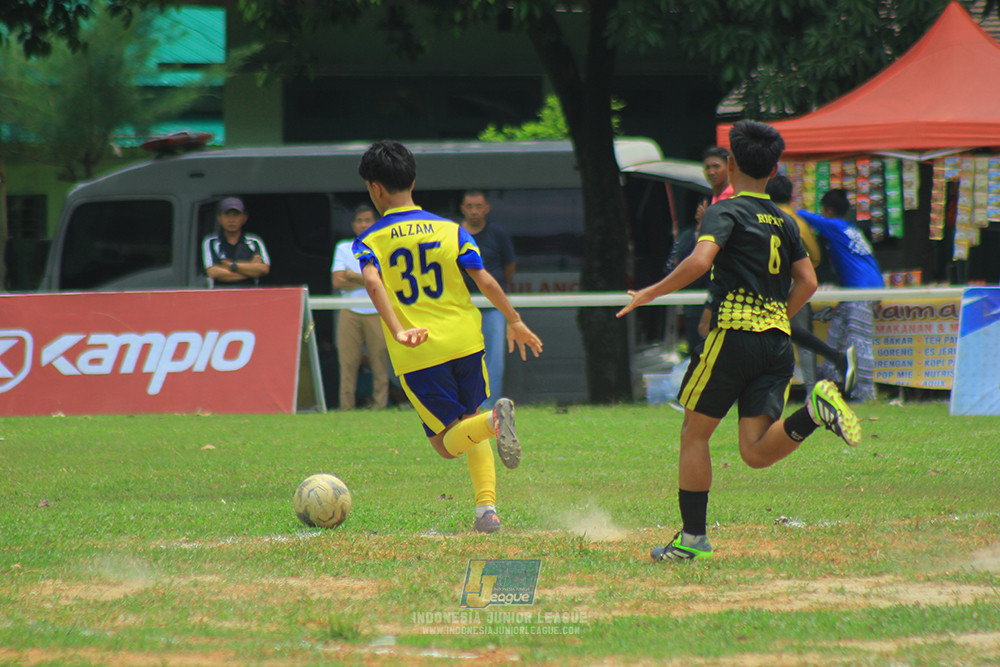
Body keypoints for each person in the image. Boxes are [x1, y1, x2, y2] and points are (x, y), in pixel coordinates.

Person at [617, 120, 861, 561]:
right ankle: (812, 411)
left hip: (733, 337)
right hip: (776, 345)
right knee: (753, 451)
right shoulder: (785, 222)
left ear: (729, 164)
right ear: (774, 169)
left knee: (694, 433)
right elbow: (806, 281)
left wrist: (651, 292)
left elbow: (700, 260)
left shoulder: (724, 210)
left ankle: (692, 539)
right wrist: (776, 317)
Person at [354, 140, 543, 534]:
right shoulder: (450, 230)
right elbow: (485, 278)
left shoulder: (371, 239)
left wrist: (399, 329)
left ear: (375, 189)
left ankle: (495, 420)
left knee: (445, 444)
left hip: (421, 350)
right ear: (414, 179)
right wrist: (515, 320)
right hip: (467, 340)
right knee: (469, 423)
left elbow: (373, 284)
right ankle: (486, 512)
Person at [766, 175, 857, 397]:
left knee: (771, 336)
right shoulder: (798, 220)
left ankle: (771, 392)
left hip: (769, 286)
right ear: (791, 195)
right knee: (798, 336)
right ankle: (810, 390)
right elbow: (815, 256)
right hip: (795, 283)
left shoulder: (763, 218)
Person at [797, 189, 883, 402]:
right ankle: (834, 387)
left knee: (858, 341)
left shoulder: (834, 225)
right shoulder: (851, 229)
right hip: (860, 288)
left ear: (828, 210)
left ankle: (864, 394)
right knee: (835, 336)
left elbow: (801, 215)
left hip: (861, 289)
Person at [670, 147, 735, 358]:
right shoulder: (714, 200)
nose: (711, 171)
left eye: (716, 166)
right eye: (707, 167)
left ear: (729, 166)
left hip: (724, 292)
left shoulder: (730, 199)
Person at [459, 190, 516, 409]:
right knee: (463, 355)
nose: (474, 211)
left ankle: (490, 407)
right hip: (462, 305)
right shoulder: (455, 233)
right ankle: (467, 405)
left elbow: (509, 267)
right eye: (469, 207)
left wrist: (496, 291)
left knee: (494, 359)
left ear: (487, 208)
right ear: (463, 209)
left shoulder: (497, 233)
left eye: (478, 206)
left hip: (492, 306)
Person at [332, 204, 390, 409]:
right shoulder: (343, 247)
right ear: (353, 225)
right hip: (349, 309)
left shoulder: (384, 246)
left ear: (375, 223)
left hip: (377, 310)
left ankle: (380, 405)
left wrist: (351, 275)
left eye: (368, 220)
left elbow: (388, 282)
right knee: (348, 363)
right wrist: (371, 279)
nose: (364, 224)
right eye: (360, 221)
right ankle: (346, 407)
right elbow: (337, 281)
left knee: (379, 362)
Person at [202, 197, 271, 288]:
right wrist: (250, 271)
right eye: (227, 215)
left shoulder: (254, 241)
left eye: (236, 215)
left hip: (250, 296)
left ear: (244, 218)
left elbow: (263, 269)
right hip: (220, 297)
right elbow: (213, 272)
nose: (231, 220)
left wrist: (232, 266)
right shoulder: (210, 242)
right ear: (219, 218)